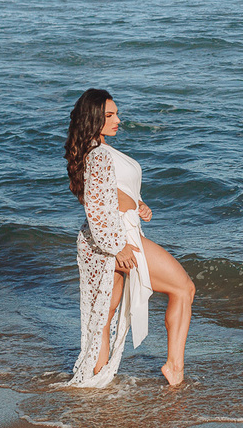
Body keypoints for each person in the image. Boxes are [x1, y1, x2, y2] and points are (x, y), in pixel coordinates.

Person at [64, 88, 195, 387]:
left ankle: (96, 378)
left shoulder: (97, 151)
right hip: (115, 238)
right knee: (183, 288)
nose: (118, 120)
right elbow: (96, 205)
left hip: (110, 237)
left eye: (116, 114)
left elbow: (111, 193)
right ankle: (174, 368)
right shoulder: (98, 154)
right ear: (93, 118)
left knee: (104, 314)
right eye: (109, 115)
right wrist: (117, 246)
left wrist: (139, 203)